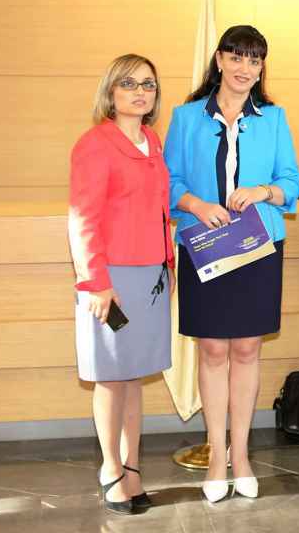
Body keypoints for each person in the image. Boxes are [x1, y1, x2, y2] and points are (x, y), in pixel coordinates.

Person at [164, 25, 299, 503]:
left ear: (262, 68)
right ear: (220, 60)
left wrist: (263, 191)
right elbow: (168, 181)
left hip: (257, 246)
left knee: (246, 349)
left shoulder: (273, 118)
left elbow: (292, 182)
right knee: (212, 351)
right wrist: (197, 204)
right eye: (237, 57)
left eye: (255, 60)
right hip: (204, 244)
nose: (245, 68)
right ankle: (215, 456)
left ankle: (241, 456)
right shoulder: (185, 117)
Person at [68, 54, 174, 515]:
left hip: (151, 276)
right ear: (110, 91)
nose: (140, 92)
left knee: (134, 377)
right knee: (111, 378)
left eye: (148, 84)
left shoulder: (152, 141)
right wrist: (95, 282)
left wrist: (168, 264)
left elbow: (158, 209)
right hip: (111, 280)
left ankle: (132, 468)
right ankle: (111, 469)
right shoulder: (95, 144)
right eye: (129, 83)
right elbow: (83, 218)